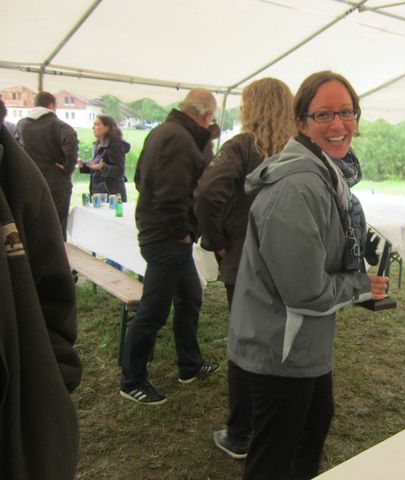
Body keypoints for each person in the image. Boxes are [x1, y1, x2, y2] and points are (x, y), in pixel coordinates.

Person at [227, 71, 389, 480]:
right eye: (324, 114)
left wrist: (358, 286)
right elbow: (305, 291)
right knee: (276, 457)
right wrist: (359, 286)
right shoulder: (296, 188)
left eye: (347, 112)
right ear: (301, 122)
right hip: (280, 349)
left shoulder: (324, 173)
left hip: (301, 343)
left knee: (312, 428)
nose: (339, 124)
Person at [194, 77, 297, 459]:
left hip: (250, 266)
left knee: (245, 346)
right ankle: (276, 424)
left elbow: (207, 193)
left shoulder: (241, 146)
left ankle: (240, 433)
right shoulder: (300, 150)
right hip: (290, 265)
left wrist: (218, 241)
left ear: (251, 108)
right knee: (282, 344)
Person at [119, 88, 220, 405]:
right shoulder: (178, 138)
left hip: (166, 235)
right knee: (153, 311)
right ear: (205, 114)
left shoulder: (165, 131)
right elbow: (171, 194)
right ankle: (131, 380)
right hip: (167, 238)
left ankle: (190, 365)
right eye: (212, 119)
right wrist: (182, 233)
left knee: (190, 297)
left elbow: (139, 179)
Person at [1, 99, 82, 479]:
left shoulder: (15, 156)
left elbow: (51, 285)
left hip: (23, 420)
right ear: (52, 105)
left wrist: (52, 376)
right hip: (54, 183)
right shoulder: (56, 130)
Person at [15, 91, 78, 240]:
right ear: (52, 105)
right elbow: (71, 148)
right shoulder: (61, 126)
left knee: (34, 225)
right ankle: (58, 253)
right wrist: (68, 167)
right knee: (57, 225)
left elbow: (17, 149)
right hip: (56, 182)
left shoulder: (22, 124)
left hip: (30, 181)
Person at [77, 115, 130, 201]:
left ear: (107, 128)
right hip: (98, 194)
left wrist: (103, 167)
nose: (93, 128)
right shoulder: (98, 144)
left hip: (111, 195)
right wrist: (83, 165)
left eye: (96, 124)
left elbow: (120, 171)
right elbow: (97, 167)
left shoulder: (115, 145)